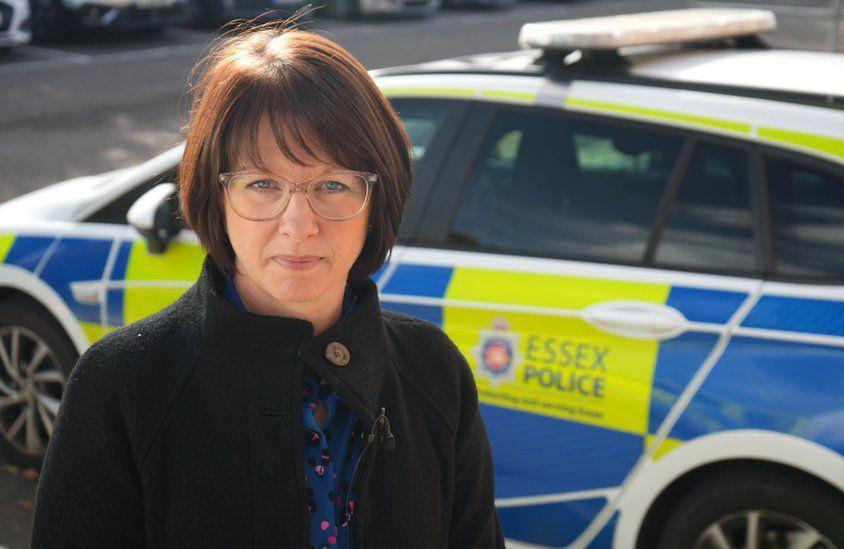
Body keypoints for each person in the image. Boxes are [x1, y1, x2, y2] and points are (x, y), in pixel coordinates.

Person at [31, 22, 504, 548]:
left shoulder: (433, 371)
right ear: (216, 198)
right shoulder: (120, 387)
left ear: (377, 199)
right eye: (261, 184)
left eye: (333, 184)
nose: (298, 224)